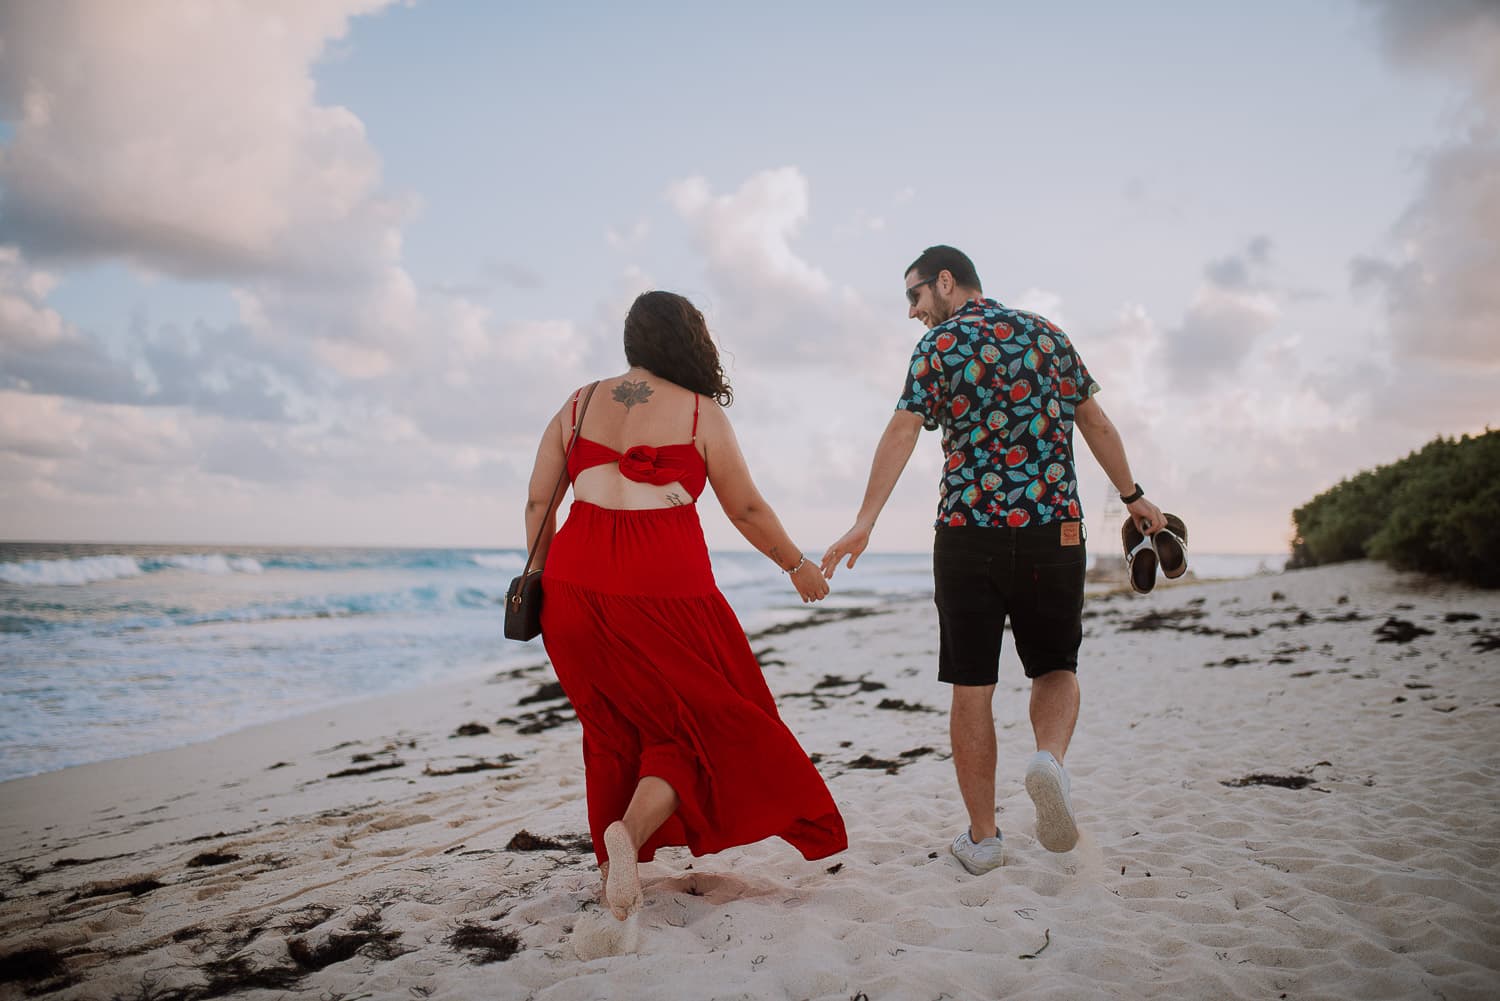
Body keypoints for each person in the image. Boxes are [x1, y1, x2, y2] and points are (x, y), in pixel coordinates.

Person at [820, 246, 1166, 874]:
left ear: (945, 282)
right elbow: (1095, 421)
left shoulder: (939, 347)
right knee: (1055, 666)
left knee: (971, 686)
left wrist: (864, 521)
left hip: (967, 534)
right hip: (1053, 531)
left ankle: (984, 840)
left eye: (915, 296)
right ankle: (1049, 761)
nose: (913, 312)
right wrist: (1133, 496)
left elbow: (902, 431)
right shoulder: (1047, 335)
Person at [523, 290, 848, 920]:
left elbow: (540, 504)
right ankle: (629, 837)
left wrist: (539, 579)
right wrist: (798, 566)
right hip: (663, 587)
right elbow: (746, 508)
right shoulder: (700, 415)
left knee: (613, 729)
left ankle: (616, 852)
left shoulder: (577, 403)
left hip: (571, 587)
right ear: (689, 341)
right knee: (706, 723)